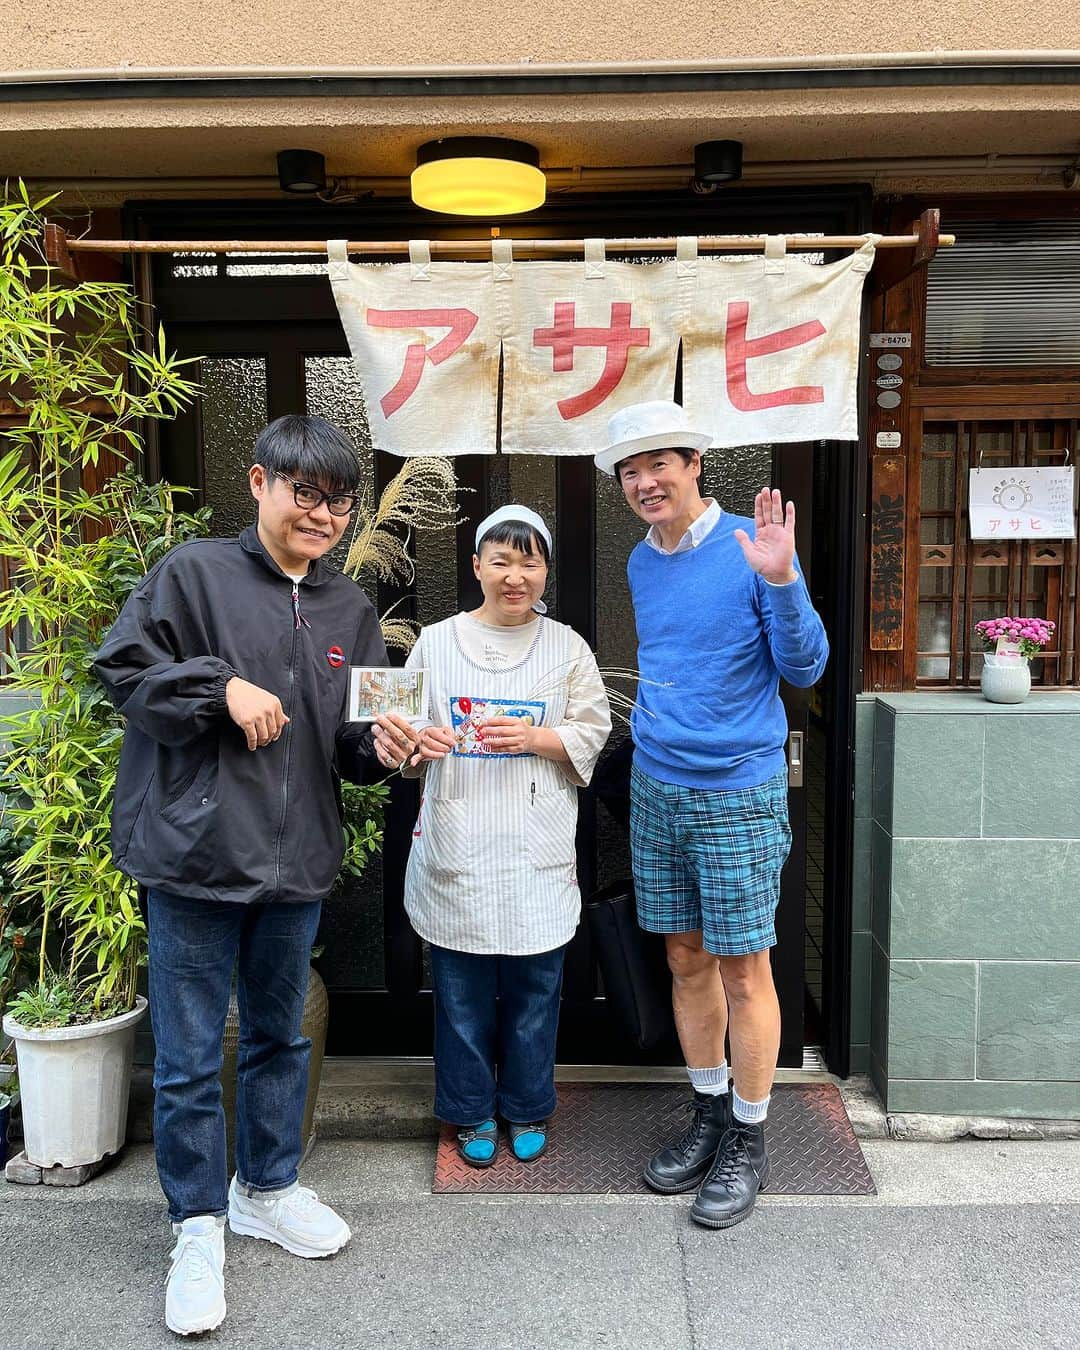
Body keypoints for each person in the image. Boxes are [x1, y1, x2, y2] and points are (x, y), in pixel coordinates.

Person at [93, 415, 418, 1336]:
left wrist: (388, 747)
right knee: (192, 1057)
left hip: (296, 864)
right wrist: (217, 686)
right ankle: (196, 1225)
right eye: (304, 491)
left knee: (279, 1040)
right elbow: (121, 667)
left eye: (339, 499)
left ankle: (266, 1189)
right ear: (260, 484)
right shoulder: (193, 574)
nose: (322, 512)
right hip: (194, 859)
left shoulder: (351, 610)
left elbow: (358, 747)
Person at [594, 400, 828, 1230]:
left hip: (737, 788)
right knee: (685, 958)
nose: (644, 482)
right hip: (659, 784)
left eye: (659, 463)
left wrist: (782, 580)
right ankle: (707, 1111)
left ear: (695, 462)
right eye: (629, 470)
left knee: (743, 968)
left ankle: (751, 1138)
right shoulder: (640, 560)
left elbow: (804, 663)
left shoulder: (745, 551)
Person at [402, 506, 611, 1167]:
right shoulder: (435, 642)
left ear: (545, 570)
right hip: (458, 846)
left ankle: (526, 1106)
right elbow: (397, 738)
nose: (514, 575)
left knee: (533, 995)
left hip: (534, 853)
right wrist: (416, 743)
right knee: (460, 997)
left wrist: (538, 738)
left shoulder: (568, 647)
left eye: (528, 561)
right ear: (476, 568)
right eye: (501, 560)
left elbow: (594, 730)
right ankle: (468, 1114)